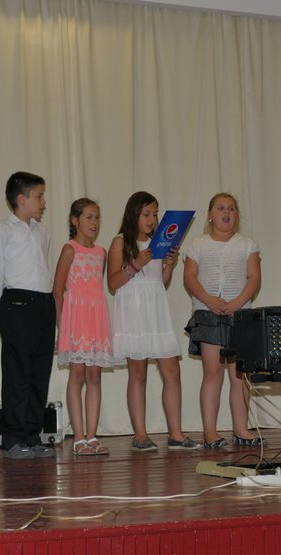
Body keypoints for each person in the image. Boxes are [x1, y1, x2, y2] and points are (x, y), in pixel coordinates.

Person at [107, 191, 197, 452]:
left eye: (155, 214)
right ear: (133, 213)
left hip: (156, 311)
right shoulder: (120, 242)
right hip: (133, 313)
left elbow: (161, 283)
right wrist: (135, 264)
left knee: (172, 370)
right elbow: (113, 283)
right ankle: (140, 435)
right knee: (138, 373)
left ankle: (176, 434)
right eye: (146, 213)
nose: (151, 219)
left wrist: (169, 265)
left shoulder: (159, 243)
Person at [0, 171, 56, 459]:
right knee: (17, 373)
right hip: (16, 304)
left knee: (39, 372)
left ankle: (32, 434)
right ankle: (14, 437)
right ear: (21, 199)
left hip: (43, 303)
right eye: (39, 196)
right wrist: (3, 311)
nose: (43, 202)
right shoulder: (2, 231)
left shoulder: (42, 232)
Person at [183, 193, 261, 448]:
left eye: (232, 208)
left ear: (237, 215)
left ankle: (241, 429)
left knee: (239, 374)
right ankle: (210, 432)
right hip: (208, 314)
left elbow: (254, 277)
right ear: (210, 215)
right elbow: (190, 277)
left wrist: (238, 302)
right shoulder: (198, 244)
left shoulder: (247, 244)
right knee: (212, 372)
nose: (226, 212)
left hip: (240, 314)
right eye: (220, 208)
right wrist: (209, 300)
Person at [53, 198, 113, 456]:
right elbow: (57, 291)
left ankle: (92, 435)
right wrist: (61, 327)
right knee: (76, 375)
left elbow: (96, 287)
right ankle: (78, 437)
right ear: (74, 220)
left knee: (95, 376)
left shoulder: (101, 252)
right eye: (88, 217)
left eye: (97, 217)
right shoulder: (70, 249)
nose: (94, 222)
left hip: (95, 318)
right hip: (76, 319)